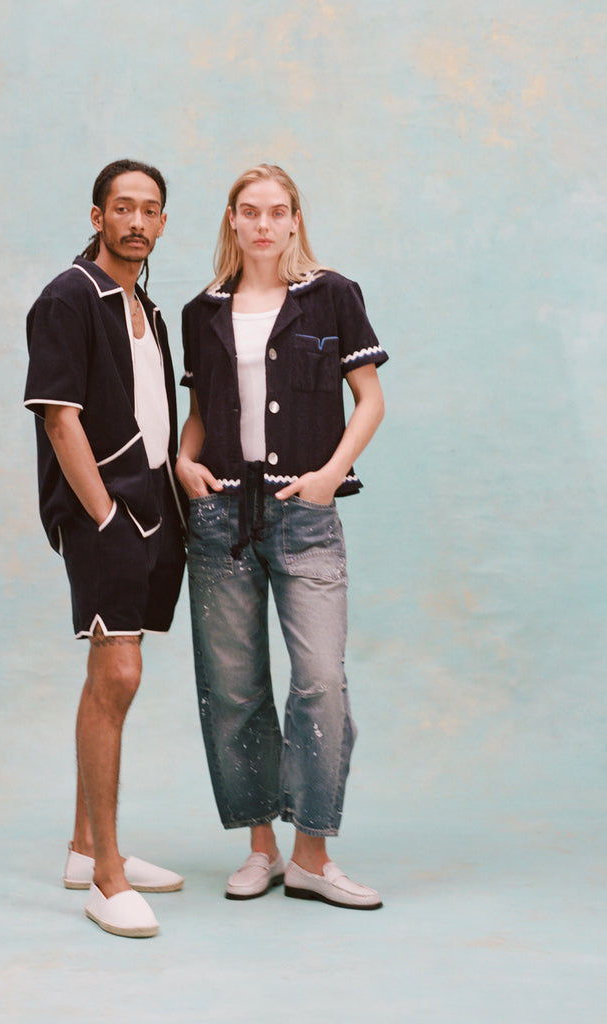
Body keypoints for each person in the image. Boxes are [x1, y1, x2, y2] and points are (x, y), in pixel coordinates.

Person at [176, 164, 387, 910]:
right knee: (233, 691)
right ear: (231, 221)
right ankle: (260, 848)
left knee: (320, 682)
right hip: (221, 516)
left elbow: (370, 400)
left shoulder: (333, 295)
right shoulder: (201, 311)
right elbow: (204, 410)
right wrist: (182, 458)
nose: (263, 225)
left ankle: (311, 854)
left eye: (277, 211)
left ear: (295, 220)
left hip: (305, 511)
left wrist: (332, 472)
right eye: (249, 212)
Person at [24, 159, 187, 938]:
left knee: (116, 676)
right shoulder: (68, 295)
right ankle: (109, 878)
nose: (135, 221)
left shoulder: (146, 309)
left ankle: (86, 848)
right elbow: (60, 417)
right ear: (97, 216)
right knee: (117, 670)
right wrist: (104, 516)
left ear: (161, 224)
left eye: (149, 210)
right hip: (106, 512)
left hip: (155, 507)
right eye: (122, 207)